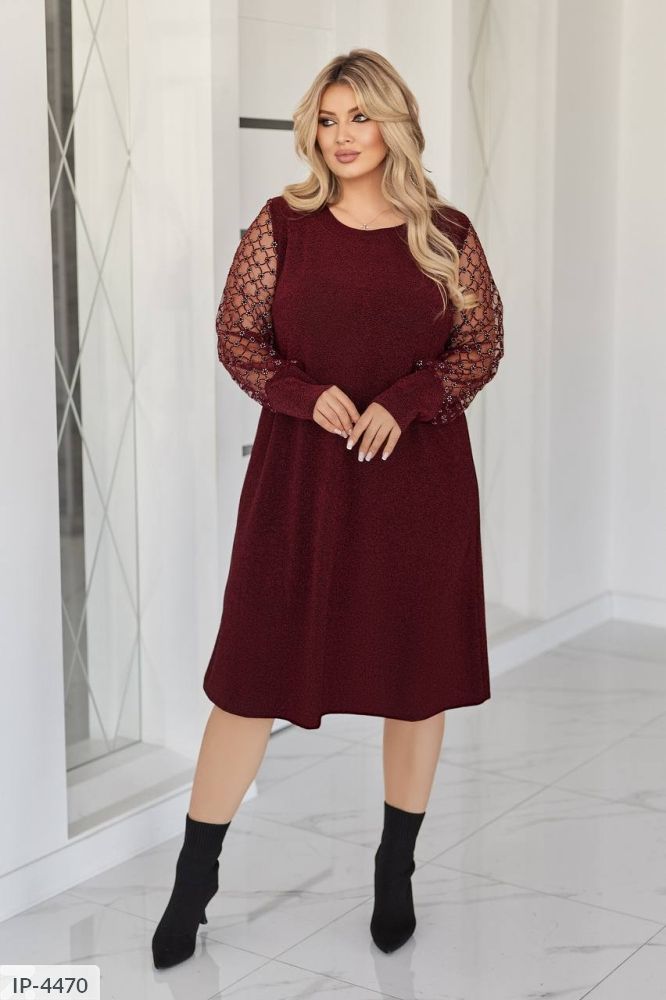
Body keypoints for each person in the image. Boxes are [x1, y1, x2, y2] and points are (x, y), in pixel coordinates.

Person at [152, 47, 504, 970]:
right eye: (327, 118)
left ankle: (395, 870)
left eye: (361, 117)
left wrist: (410, 398)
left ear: (396, 124)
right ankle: (193, 881)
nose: (342, 135)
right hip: (300, 482)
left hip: (416, 486)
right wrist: (306, 398)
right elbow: (238, 337)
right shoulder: (283, 226)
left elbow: (479, 347)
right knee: (248, 676)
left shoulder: (447, 233)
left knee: (415, 676)